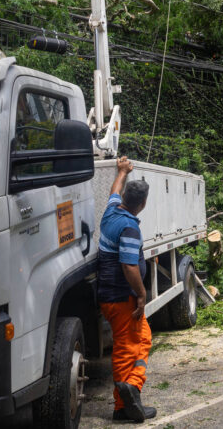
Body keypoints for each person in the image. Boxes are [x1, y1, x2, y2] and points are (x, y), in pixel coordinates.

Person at [98, 155, 156, 423]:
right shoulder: (130, 229)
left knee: (142, 338)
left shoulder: (111, 212)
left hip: (111, 296)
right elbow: (129, 266)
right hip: (122, 298)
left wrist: (122, 171)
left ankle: (131, 387)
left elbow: (113, 192)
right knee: (125, 348)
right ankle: (123, 406)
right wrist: (142, 295)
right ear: (142, 204)